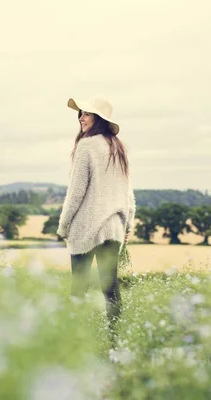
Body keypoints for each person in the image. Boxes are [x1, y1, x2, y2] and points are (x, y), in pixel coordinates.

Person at [57, 96, 136, 341]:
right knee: (110, 288)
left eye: (87, 114)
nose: (81, 118)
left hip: (86, 226)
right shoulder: (118, 147)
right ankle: (115, 339)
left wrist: (63, 225)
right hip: (113, 228)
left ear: (99, 119)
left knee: (78, 288)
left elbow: (76, 191)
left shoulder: (86, 146)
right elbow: (127, 191)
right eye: (80, 114)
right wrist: (128, 223)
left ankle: (73, 339)